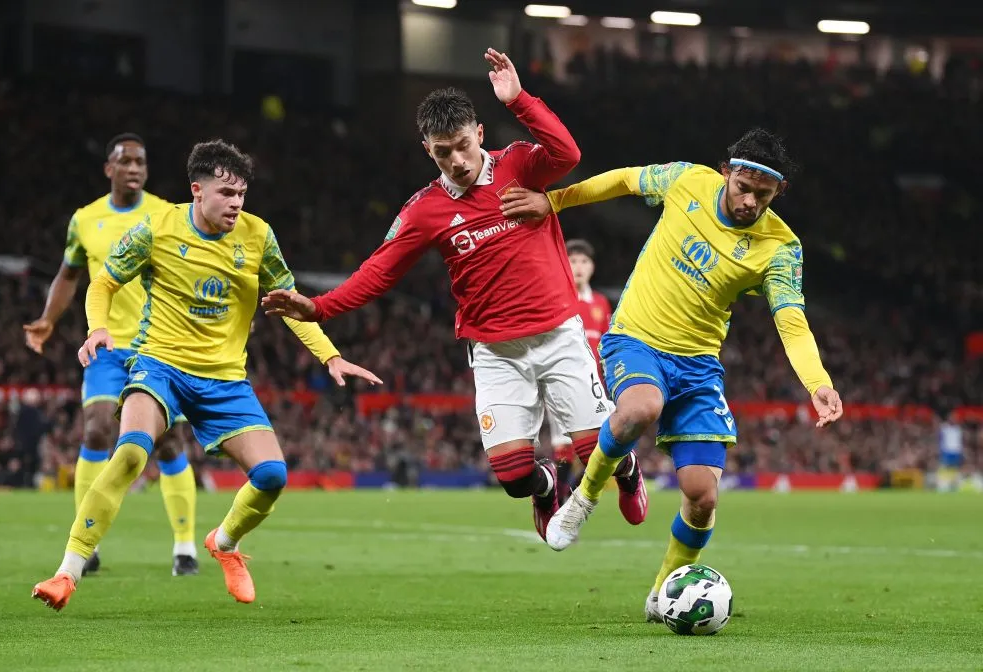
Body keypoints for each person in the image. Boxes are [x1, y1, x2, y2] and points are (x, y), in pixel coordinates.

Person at [262, 49, 647, 541]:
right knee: (512, 477)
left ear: (480, 134)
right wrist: (317, 307)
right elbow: (377, 273)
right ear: (429, 150)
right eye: (444, 152)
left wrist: (519, 100)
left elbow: (568, 156)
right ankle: (545, 484)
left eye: (464, 145)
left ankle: (628, 470)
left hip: (558, 336)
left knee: (599, 453)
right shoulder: (425, 210)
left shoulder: (519, 167)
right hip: (494, 352)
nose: (458, 160)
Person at [498, 128, 844, 619]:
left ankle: (663, 594)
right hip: (636, 339)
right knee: (642, 406)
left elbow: (790, 319)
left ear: (778, 193)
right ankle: (583, 498)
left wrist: (818, 382)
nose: (749, 202)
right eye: (743, 188)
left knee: (702, 497)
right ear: (726, 172)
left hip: (699, 366)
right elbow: (621, 181)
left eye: (763, 196)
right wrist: (554, 201)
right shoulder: (686, 181)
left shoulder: (782, 248)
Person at [31, 139, 381, 611]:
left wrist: (330, 357)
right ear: (197, 190)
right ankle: (67, 574)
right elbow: (104, 281)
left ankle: (225, 542)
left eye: (242, 194)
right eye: (226, 193)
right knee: (131, 453)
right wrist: (97, 327)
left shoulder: (258, 236)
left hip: (224, 380)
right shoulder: (155, 228)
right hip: (160, 366)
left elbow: (289, 303)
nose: (236, 203)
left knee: (273, 475)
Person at [23, 133, 200, 576]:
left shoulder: (164, 213)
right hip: (105, 346)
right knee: (98, 430)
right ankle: (86, 543)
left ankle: (185, 548)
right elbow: (68, 275)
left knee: (169, 440)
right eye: (127, 162)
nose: (136, 168)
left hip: (157, 345)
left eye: (142, 161)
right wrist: (48, 318)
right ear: (109, 169)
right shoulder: (85, 220)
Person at [547, 239, 624, 506]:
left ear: (592, 267)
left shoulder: (601, 304)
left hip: (597, 390)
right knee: (565, 450)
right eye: (573, 261)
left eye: (584, 261)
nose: (578, 267)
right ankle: (557, 508)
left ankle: (568, 498)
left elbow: (610, 347)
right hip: (561, 386)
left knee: (602, 450)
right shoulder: (555, 299)